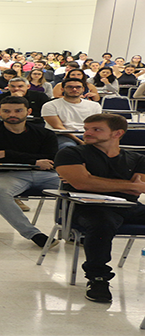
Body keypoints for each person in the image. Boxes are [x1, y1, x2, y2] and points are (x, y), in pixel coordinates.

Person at [54, 113, 145, 303]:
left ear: (117, 133)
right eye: (86, 129)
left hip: (127, 207)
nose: (87, 133)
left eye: (96, 129)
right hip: (85, 207)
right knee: (102, 223)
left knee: (110, 217)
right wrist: (129, 185)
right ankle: (98, 278)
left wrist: (94, 181)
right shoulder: (71, 153)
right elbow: (81, 184)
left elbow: (140, 188)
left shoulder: (136, 158)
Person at [0, 96, 59, 238]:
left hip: (44, 175)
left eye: (18, 111)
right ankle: (33, 234)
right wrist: (35, 160)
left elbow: (50, 159)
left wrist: (5, 154)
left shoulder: (45, 134)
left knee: (77, 187)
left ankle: (73, 231)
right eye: (6, 111)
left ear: (28, 111)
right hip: (6, 174)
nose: (12, 115)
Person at [43, 78, 103, 150]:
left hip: (87, 134)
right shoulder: (50, 105)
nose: (74, 89)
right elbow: (58, 127)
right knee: (68, 147)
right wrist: (81, 142)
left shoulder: (95, 105)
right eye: (70, 87)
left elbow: (96, 125)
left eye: (78, 87)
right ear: (62, 89)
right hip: (62, 135)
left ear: (83, 89)